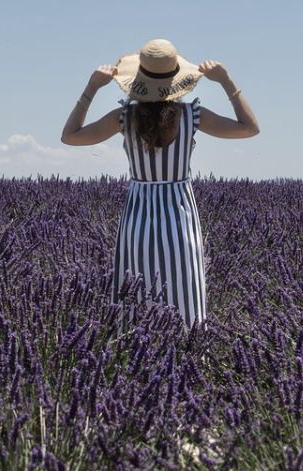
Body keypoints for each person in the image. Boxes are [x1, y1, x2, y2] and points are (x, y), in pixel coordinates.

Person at [61, 38, 259, 331]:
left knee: (136, 296)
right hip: (180, 215)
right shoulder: (192, 116)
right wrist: (226, 81)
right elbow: (249, 128)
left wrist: (91, 88)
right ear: (176, 81)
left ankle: (136, 354)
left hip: (138, 216)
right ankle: (188, 351)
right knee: (184, 291)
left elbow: (70, 136)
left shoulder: (124, 117)